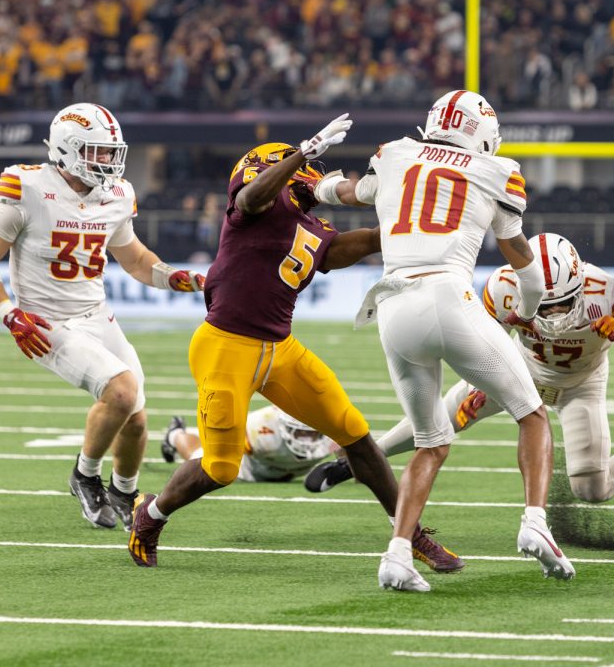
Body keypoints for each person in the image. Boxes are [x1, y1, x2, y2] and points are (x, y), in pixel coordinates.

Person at [126, 118, 462, 577]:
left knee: (357, 435)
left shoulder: (308, 223)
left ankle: (410, 533)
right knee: (222, 468)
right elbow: (252, 197)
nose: (311, 173)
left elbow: (345, 249)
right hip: (226, 347)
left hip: (280, 349)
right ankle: (151, 514)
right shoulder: (254, 206)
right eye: (300, 167)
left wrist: (408, 229)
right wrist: (300, 153)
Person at [312, 90, 574, 593]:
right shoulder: (496, 172)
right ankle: (535, 521)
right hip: (447, 295)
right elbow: (526, 265)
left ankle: (397, 554)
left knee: (431, 443)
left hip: (391, 306)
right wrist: (528, 310)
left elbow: (349, 193)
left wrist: (310, 179)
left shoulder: (395, 154)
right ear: (480, 134)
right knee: (531, 412)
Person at [306, 233, 614, 502]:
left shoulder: (608, 291)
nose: (553, 312)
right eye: (544, 301)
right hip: (521, 371)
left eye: (563, 301)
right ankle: (354, 462)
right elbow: (477, 342)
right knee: (439, 420)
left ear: (580, 281)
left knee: (591, 488)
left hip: (581, 384)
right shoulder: (502, 288)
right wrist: (485, 374)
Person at [0, 103, 204, 531]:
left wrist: (175, 277)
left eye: (112, 152)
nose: (109, 162)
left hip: (97, 315)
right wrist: (9, 314)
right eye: (98, 152)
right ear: (67, 150)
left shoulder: (116, 195)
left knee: (136, 420)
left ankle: (124, 493)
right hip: (44, 322)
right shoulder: (28, 186)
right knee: (121, 391)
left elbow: (135, 260)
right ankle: (85, 476)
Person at [160, 408, 334, 483]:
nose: (306, 439)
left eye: (312, 432)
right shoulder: (261, 428)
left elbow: (354, 455)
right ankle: (175, 435)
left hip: (278, 468)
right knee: (205, 462)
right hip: (250, 466)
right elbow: (225, 444)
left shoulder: (333, 436)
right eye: (300, 432)